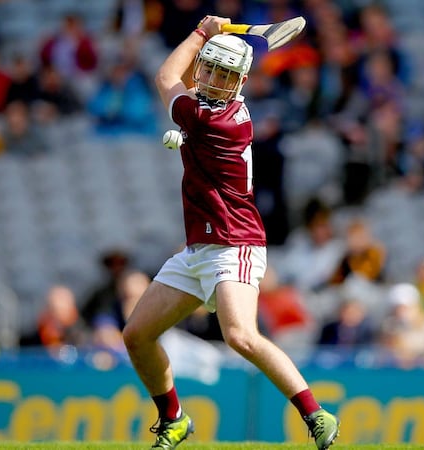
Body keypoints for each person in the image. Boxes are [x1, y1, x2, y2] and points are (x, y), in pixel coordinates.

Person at [121, 16, 339, 450]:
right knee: (136, 335)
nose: (216, 79)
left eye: (225, 74)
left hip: (234, 243)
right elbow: (180, 81)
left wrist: (203, 32)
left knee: (239, 334)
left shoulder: (211, 119)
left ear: (239, 81)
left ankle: (315, 413)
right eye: (211, 69)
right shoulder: (214, 111)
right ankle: (174, 418)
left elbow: (166, 76)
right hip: (199, 247)